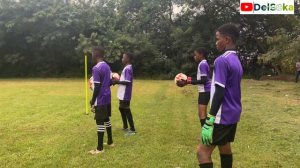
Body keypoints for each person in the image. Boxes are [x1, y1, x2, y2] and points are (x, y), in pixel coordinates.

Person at [197, 23, 243, 168]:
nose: (216, 42)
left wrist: (210, 120)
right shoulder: (236, 60)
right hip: (233, 113)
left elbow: (220, 91)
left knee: (202, 153)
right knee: (224, 146)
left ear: (227, 39)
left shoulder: (221, 60)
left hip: (222, 116)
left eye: (218, 39)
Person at [89, 46, 114, 155]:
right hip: (107, 97)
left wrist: (92, 100)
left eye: (92, 53)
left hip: (100, 99)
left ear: (96, 55)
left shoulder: (96, 68)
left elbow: (97, 86)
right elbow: (109, 82)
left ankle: (99, 149)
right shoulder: (107, 66)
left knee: (99, 121)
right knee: (106, 119)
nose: (92, 55)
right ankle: (110, 142)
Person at [113, 52, 136, 136]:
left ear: (128, 59)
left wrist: (117, 81)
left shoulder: (128, 69)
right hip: (122, 93)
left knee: (126, 109)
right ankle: (125, 126)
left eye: (123, 57)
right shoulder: (126, 68)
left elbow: (127, 81)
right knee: (121, 108)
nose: (122, 59)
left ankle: (132, 129)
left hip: (125, 94)